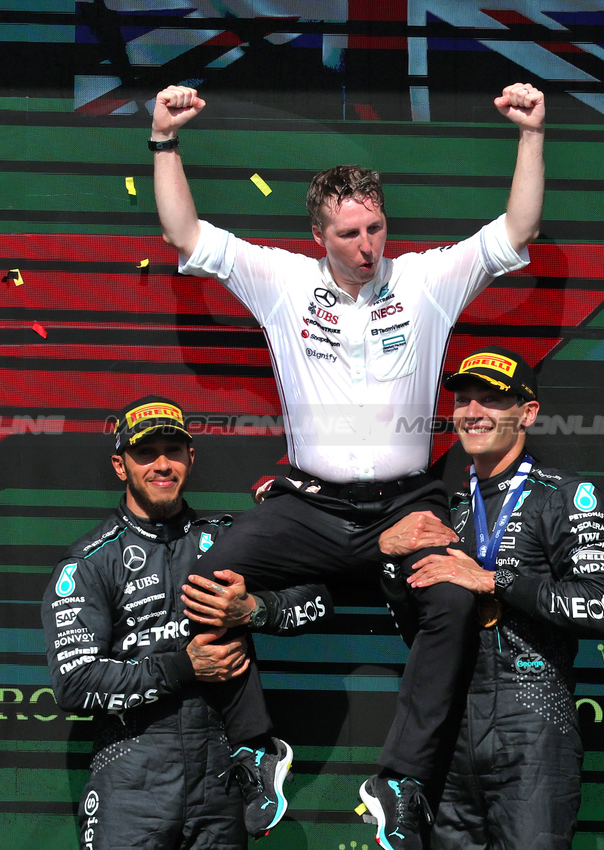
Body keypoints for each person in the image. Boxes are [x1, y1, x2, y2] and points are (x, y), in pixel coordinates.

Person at [148, 81, 546, 849]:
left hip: (406, 505)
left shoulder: (427, 280)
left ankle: (399, 781)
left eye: (377, 228)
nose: (368, 246)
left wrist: (529, 134)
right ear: (318, 235)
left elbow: (514, 230)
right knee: (204, 582)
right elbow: (185, 233)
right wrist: (164, 140)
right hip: (308, 506)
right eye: (351, 234)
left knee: (455, 604)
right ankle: (255, 748)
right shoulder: (281, 283)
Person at [40, 396, 332, 850]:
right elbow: (74, 683)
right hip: (131, 773)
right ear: (120, 466)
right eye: (145, 453)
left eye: (173, 451)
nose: (162, 465)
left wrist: (253, 608)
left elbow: (318, 599)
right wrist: (185, 667)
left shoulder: (228, 537)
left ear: (190, 458)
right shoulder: (92, 561)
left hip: (223, 771)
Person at [379, 346, 604, 850]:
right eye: (464, 400)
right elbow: (418, 630)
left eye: (491, 400)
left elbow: (602, 608)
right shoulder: (446, 511)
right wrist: (388, 561)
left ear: (527, 412)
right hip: (450, 729)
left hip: (533, 722)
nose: (473, 412)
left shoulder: (563, 495)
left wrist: (493, 580)